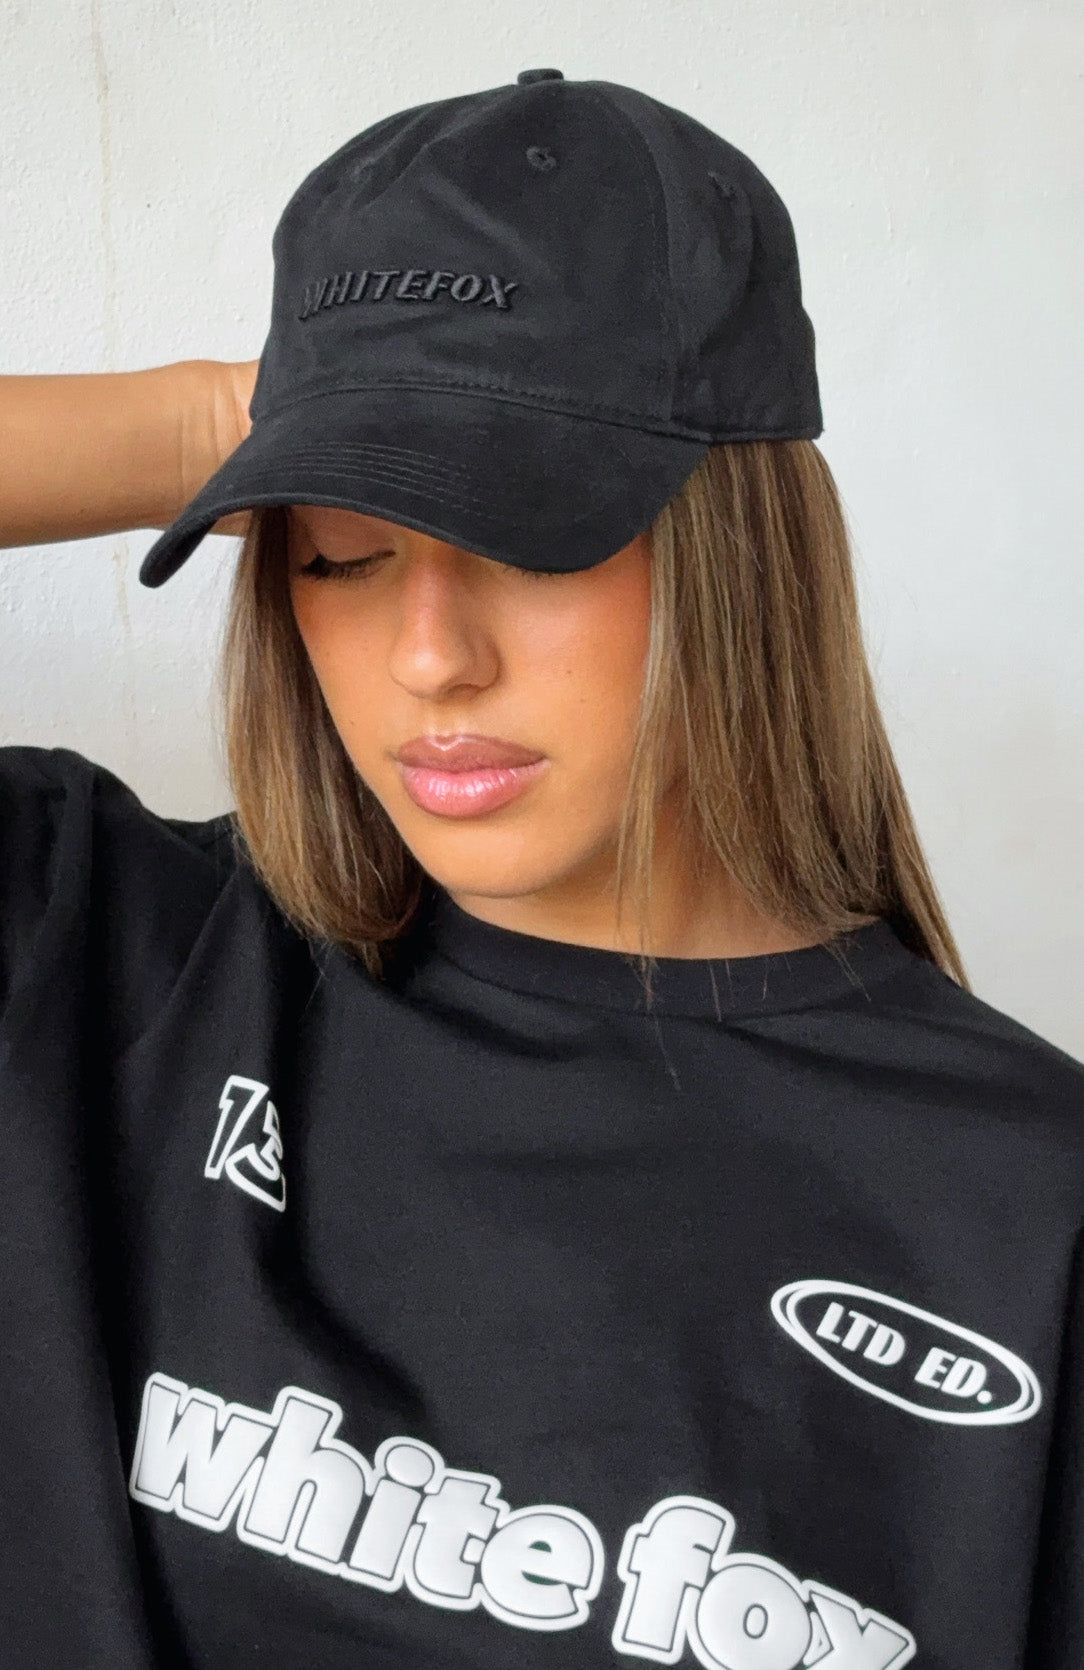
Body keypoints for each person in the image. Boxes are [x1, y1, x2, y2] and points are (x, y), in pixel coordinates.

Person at [0, 65, 1079, 1670]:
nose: (429, 655)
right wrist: (232, 421)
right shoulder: (110, 955)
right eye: (343, 552)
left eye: (526, 541)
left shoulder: (1024, 1210)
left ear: (736, 543)